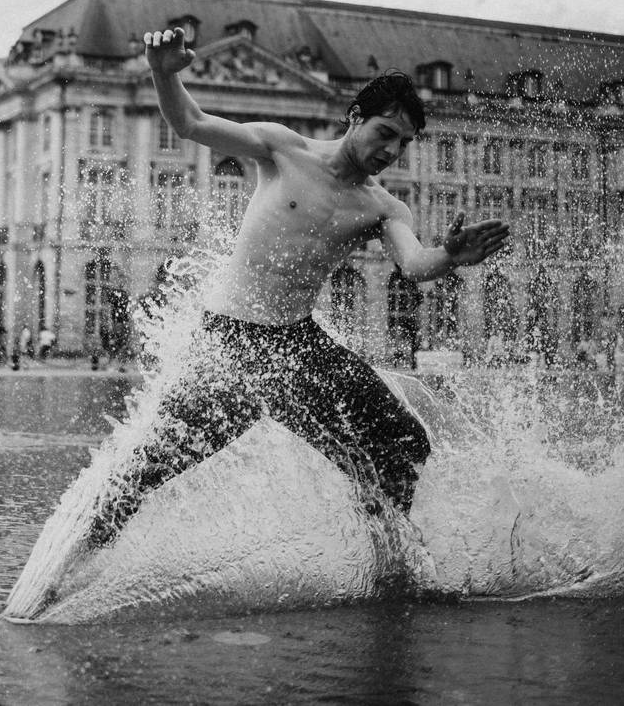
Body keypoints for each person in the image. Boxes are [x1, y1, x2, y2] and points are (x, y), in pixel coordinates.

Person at [87, 29, 511, 546]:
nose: (391, 151)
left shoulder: (382, 207)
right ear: (355, 117)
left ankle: (387, 552)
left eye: (403, 143)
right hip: (230, 342)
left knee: (405, 443)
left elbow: (414, 264)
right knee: (147, 471)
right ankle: (66, 567)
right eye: (384, 133)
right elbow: (190, 122)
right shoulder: (283, 149)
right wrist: (162, 70)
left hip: (295, 344)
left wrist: (449, 255)